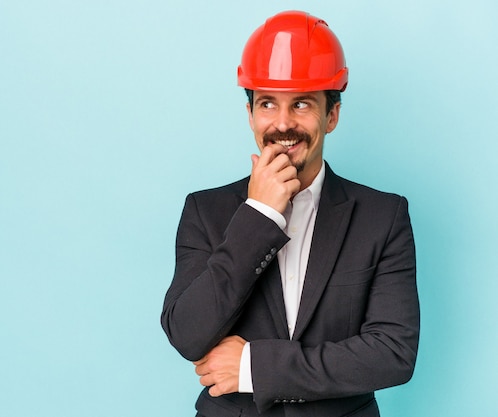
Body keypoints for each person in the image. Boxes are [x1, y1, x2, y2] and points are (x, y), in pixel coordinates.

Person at [161, 10, 420, 417]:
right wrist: (260, 215)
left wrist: (253, 368)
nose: (282, 124)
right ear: (250, 115)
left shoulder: (383, 217)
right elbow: (187, 334)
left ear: (331, 116)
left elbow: (392, 353)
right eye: (267, 103)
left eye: (301, 104)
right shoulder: (204, 211)